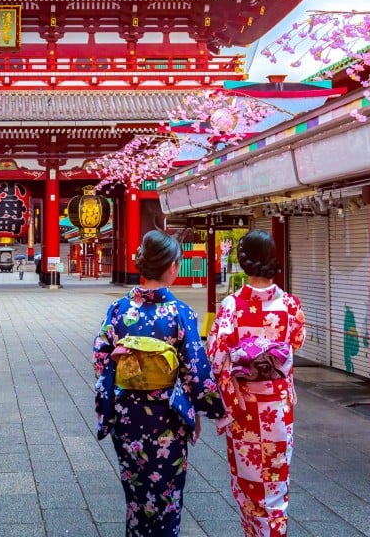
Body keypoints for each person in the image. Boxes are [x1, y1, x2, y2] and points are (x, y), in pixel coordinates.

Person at [93, 229, 224, 536]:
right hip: (166, 417)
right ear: (171, 267)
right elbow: (196, 369)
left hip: (127, 415)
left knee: (136, 495)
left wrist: (120, 362)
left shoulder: (119, 310)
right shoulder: (179, 313)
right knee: (166, 497)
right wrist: (213, 410)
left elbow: (100, 358)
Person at [205, 229, 306, 537]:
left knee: (249, 485)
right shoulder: (290, 305)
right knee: (276, 485)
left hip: (245, 408)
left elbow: (215, 354)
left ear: (243, 261)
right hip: (277, 408)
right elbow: (296, 343)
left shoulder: (231, 306)